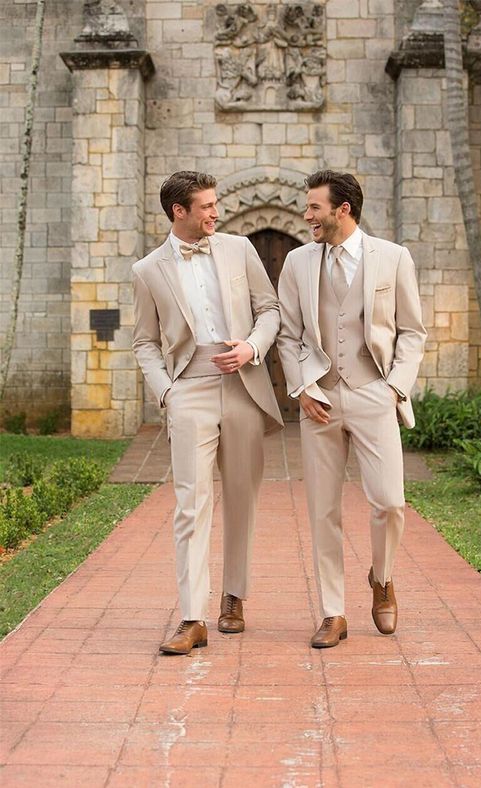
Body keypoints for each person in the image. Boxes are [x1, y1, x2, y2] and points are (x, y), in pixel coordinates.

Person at [132, 171, 283, 655]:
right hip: (189, 390)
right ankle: (192, 616)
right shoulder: (148, 270)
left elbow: (270, 309)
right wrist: (168, 393)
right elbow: (144, 343)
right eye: (207, 206)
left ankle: (234, 597)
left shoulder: (240, 249)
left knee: (242, 498)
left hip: (243, 386)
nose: (216, 212)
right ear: (180, 211)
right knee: (190, 504)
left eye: (216, 204)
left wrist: (253, 348)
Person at [277, 170, 426, 648]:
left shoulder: (394, 258)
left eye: (315, 207)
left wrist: (394, 389)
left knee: (389, 502)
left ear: (343, 209)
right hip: (318, 399)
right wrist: (302, 387)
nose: (307, 215)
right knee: (323, 510)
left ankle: (381, 579)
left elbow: (412, 333)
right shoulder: (298, 262)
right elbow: (289, 335)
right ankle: (333, 612)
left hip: (374, 393)